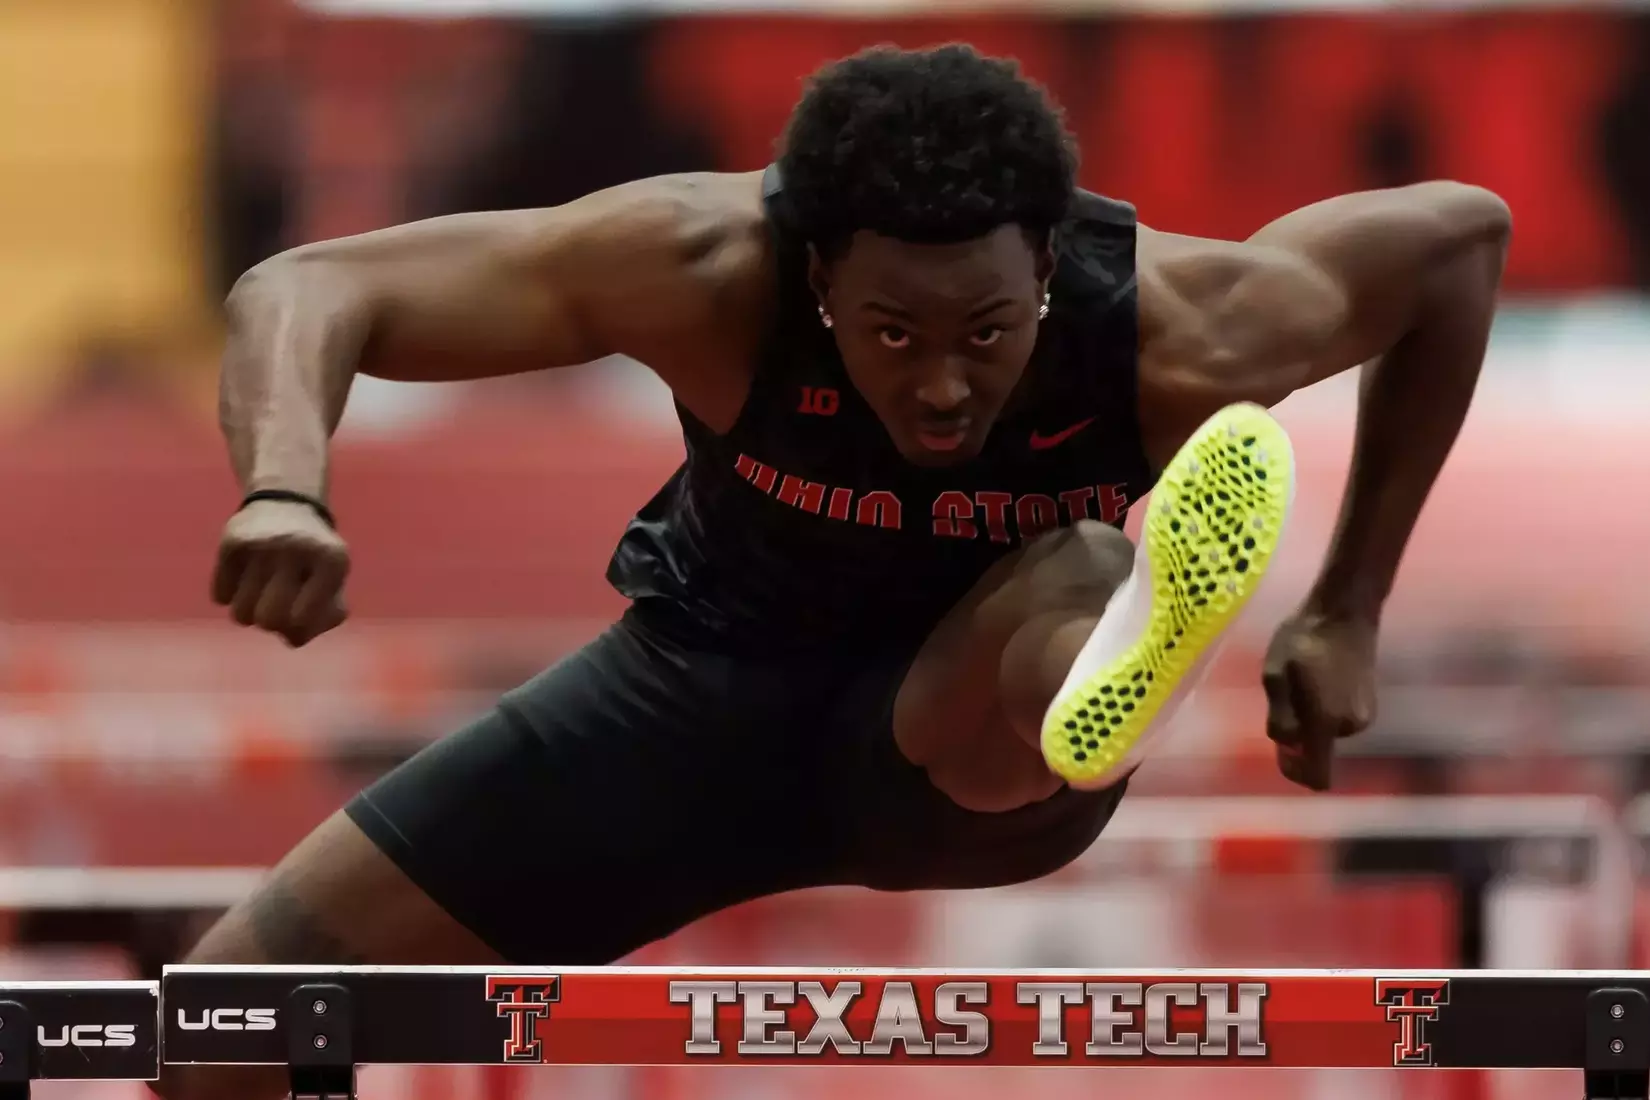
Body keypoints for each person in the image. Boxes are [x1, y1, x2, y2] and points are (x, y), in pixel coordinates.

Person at [164, 42, 1508, 1099]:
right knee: (227, 1005)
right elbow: (307, 288)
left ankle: (1114, 663)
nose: (939, 384)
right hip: (691, 702)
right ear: (810, 280)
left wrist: (1348, 606)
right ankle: (1109, 643)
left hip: (961, 751)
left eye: (987, 330)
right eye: (888, 332)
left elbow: (1458, 238)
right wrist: (285, 481)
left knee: (1078, 567)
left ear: (1047, 265)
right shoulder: (699, 268)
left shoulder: (1181, 325)